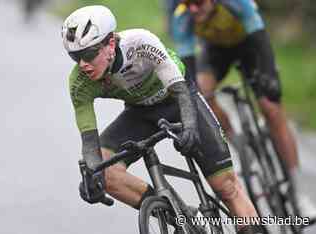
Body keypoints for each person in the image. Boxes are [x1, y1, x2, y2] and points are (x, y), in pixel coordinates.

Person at [62, 5, 264, 233]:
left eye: (88, 54)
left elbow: (180, 90)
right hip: (140, 112)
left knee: (226, 186)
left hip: (179, 100)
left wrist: (189, 126)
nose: (83, 64)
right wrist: (93, 174)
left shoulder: (140, 43)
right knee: (106, 172)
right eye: (75, 57)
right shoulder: (80, 82)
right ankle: (181, 215)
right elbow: (90, 143)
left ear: (110, 43)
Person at [173, 0, 316, 218]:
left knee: (271, 108)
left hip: (250, 45)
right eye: (188, 3)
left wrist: (269, 77)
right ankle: (238, 143)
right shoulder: (182, 17)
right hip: (216, 51)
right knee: (201, 93)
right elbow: (188, 66)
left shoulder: (234, 2)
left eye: (198, 2)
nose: (193, 8)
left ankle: (298, 191)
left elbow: (259, 37)